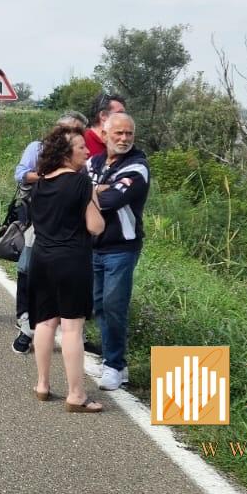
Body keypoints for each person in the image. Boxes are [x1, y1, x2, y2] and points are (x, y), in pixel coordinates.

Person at [26, 123, 106, 413]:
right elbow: (95, 226)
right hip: (72, 260)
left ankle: (43, 385)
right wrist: (93, 197)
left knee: (45, 322)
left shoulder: (41, 182)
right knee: (72, 328)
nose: (87, 150)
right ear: (66, 153)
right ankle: (76, 395)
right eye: (81, 147)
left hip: (42, 258)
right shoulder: (82, 184)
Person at [8, 112, 87, 355]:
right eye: (66, 129)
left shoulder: (83, 156)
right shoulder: (38, 148)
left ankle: (73, 330)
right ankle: (25, 325)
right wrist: (48, 179)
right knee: (28, 269)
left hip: (72, 224)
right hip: (38, 217)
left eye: (76, 130)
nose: (70, 134)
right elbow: (21, 174)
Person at [89, 112, 150, 391]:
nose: (124, 139)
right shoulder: (94, 161)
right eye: (118, 134)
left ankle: (113, 364)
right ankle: (115, 362)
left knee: (114, 305)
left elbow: (112, 200)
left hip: (121, 248)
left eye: (129, 134)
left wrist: (92, 190)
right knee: (99, 304)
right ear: (105, 135)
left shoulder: (138, 167)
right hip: (92, 245)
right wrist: (97, 188)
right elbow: (74, 188)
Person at [84, 93, 126, 159]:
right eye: (120, 113)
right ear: (103, 115)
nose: (126, 118)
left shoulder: (121, 143)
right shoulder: (82, 141)